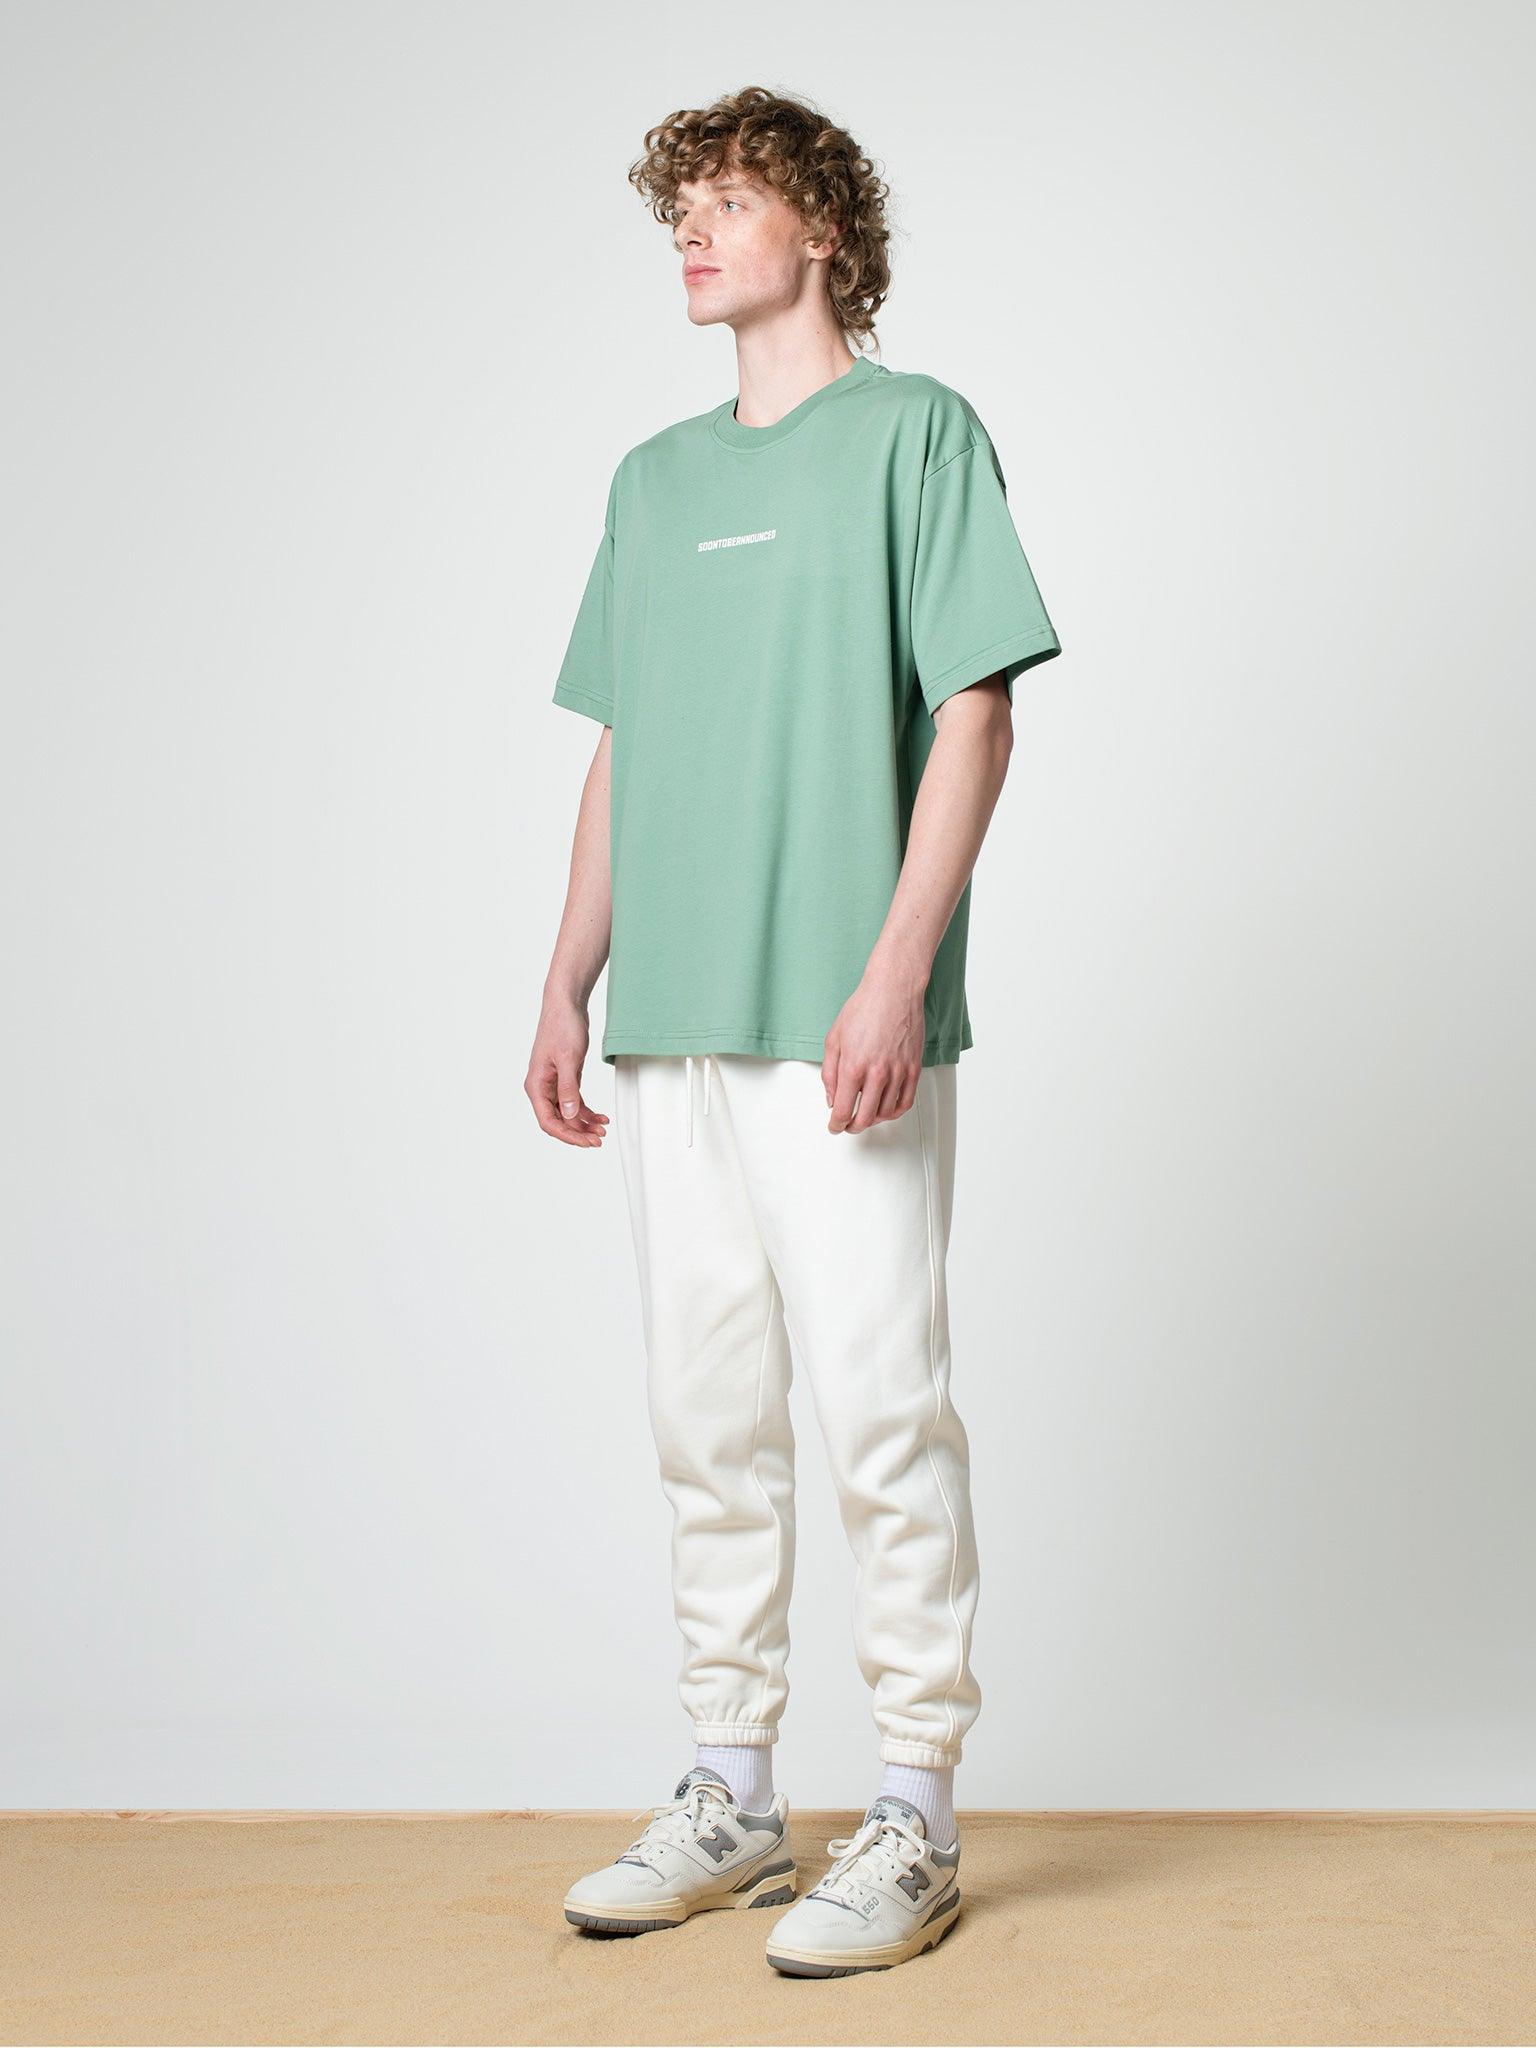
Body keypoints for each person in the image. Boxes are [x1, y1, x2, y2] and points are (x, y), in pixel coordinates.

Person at [529, 85, 1060, 1976]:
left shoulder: (918, 435)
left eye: (729, 200)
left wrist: (898, 969)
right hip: (673, 1012)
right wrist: (566, 975)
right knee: (707, 1422)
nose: (690, 230)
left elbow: (978, 712)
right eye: (678, 205)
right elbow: (623, 745)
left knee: (882, 1408)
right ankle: (735, 1787)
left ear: (821, 227)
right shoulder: (651, 480)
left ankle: (914, 1807)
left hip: (841, 1015)